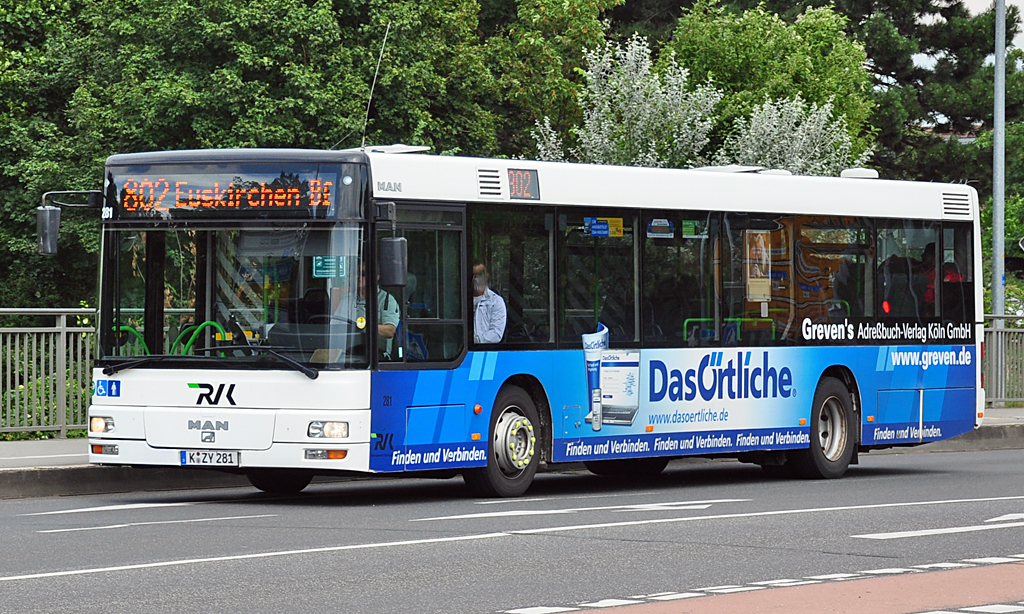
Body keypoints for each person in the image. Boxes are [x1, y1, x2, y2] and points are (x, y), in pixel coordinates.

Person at [331, 266, 400, 359]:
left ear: (377, 277)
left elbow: (390, 331)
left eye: (363, 274)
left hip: (377, 355)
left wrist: (363, 327)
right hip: (348, 354)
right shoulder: (346, 301)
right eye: (356, 274)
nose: (358, 277)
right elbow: (334, 328)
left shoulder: (386, 299)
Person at [472, 262, 506, 344]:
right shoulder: (459, 301)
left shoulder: (496, 301)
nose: (476, 279)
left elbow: (496, 334)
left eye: (480, 274)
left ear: (486, 276)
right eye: (473, 275)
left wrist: (474, 340)